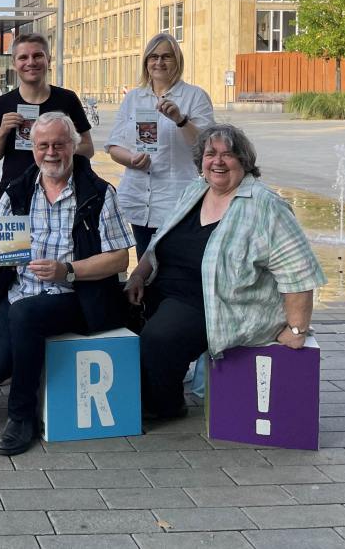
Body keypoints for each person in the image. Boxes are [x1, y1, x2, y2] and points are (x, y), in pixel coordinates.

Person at [125, 123, 326, 421]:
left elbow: (298, 271)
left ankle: (163, 405)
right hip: (164, 289)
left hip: (216, 304)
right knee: (108, 312)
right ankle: (132, 389)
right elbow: (158, 242)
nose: (217, 161)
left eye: (228, 155)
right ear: (201, 161)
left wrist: (296, 329)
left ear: (244, 161)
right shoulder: (196, 190)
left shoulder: (265, 205)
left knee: (160, 338)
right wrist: (138, 275)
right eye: (210, 154)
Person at [0, 112, 132, 456]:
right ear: (33, 149)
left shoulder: (99, 193)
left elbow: (119, 260)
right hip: (21, 291)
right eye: (43, 145)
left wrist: (67, 270)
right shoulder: (17, 191)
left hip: (76, 297)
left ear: (74, 146)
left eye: (59, 144)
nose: (51, 152)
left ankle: (22, 417)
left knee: (26, 315)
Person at [105, 33, 214, 258]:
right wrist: (131, 159)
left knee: (173, 266)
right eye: (153, 57)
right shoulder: (133, 98)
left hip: (176, 199)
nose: (159, 62)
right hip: (138, 199)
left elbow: (207, 148)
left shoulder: (195, 96)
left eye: (166, 56)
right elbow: (114, 146)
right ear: (146, 62)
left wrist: (181, 120)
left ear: (178, 61)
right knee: (144, 265)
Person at [0, 33, 93, 202]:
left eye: (37, 56)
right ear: (14, 63)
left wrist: (58, 147)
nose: (31, 62)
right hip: (14, 196)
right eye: (23, 57)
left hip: (62, 196)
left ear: (48, 59)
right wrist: (3, 131)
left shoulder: (67, 99)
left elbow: (88, 149)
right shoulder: (2, 104)